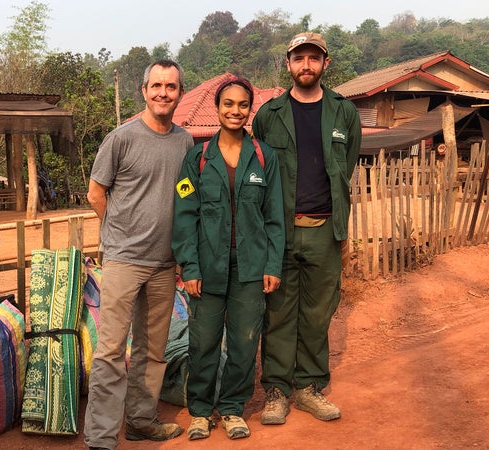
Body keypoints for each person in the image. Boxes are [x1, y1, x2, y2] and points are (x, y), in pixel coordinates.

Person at [252, 32, 362, 425]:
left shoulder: (344, 112)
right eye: (299, 58)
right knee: (278, 312)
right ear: (288, 63)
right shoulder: (269, 114)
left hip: (324, 231)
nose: (306, 65)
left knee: (318, 313)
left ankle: (309, 387)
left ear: (325, 64)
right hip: (279, 231)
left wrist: (338, 223)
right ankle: (278, 391)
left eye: (313, 58)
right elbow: (259, 173)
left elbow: (344, 168)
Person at [84, 60, 194, 450]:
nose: (164, 93)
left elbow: (183, 195)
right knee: (111, 350)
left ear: (180, 92)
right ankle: (100, 437)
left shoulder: (184, 141)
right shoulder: (122, 138)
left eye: (171, 86)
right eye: (157, 86)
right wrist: (120, 233)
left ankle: (141, 420)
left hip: (165, 265)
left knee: (153, 350)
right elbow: (96, 193)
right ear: (144, 91)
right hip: (123, 262)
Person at [172, 77, 285, 441]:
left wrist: (271, 264)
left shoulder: (265, 156)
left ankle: (234, 408)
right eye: (228, 104)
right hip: (207, 267)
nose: (235, 111)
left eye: (242, 105)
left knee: (244, 342)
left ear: (249, 110)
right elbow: (185, 214)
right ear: (217, 108)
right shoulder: (198, 157)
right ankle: (202, 412)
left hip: (251, 268)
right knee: (202, 342)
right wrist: (189, 265)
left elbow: (274, 217)